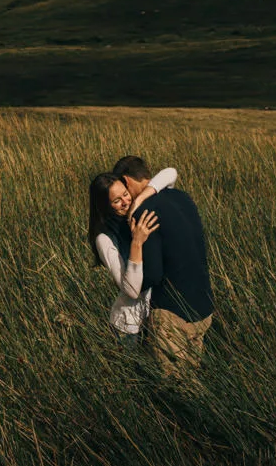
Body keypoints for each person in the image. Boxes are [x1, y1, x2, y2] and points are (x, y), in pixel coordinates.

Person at [113, 155, 214, 383]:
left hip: (172, 314)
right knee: (192, 376)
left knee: (176, 384)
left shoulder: (143, 214)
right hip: (203, 306)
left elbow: (152, 275)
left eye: (123, 191)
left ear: (127, 181)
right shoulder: (182, 197)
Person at [87, 166, 179, 342]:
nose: (125, 202)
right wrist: (137, 242)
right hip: (128, 328)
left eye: (125, 194)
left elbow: (171, 173)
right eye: (116, 201)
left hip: (154, 319)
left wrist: (141, 198)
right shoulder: (104, 238)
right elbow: (131, 290)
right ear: (105, 207)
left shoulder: (137, 214)